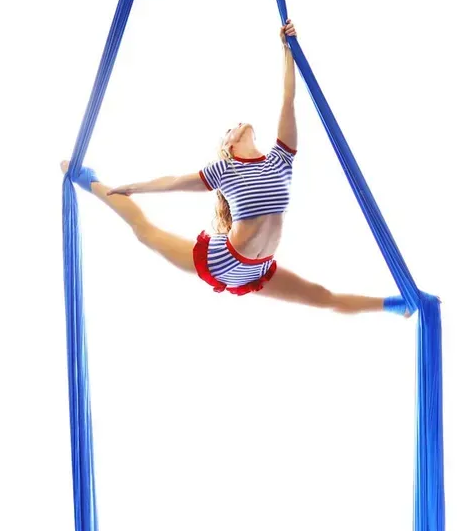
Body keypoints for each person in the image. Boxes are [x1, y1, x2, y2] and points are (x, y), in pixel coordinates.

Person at [61, 19, 410, 316]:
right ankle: (87, 178)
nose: (237, 125)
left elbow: (288, 100)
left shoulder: (280, 159)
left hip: (258, 269)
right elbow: (175, 182)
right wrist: (136, 187)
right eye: (230, 129)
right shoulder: (224, 170)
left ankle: (398, 305)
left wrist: (288, 50)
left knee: (322, 297)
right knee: (144, 231)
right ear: (228, 146)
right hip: (221, 261)